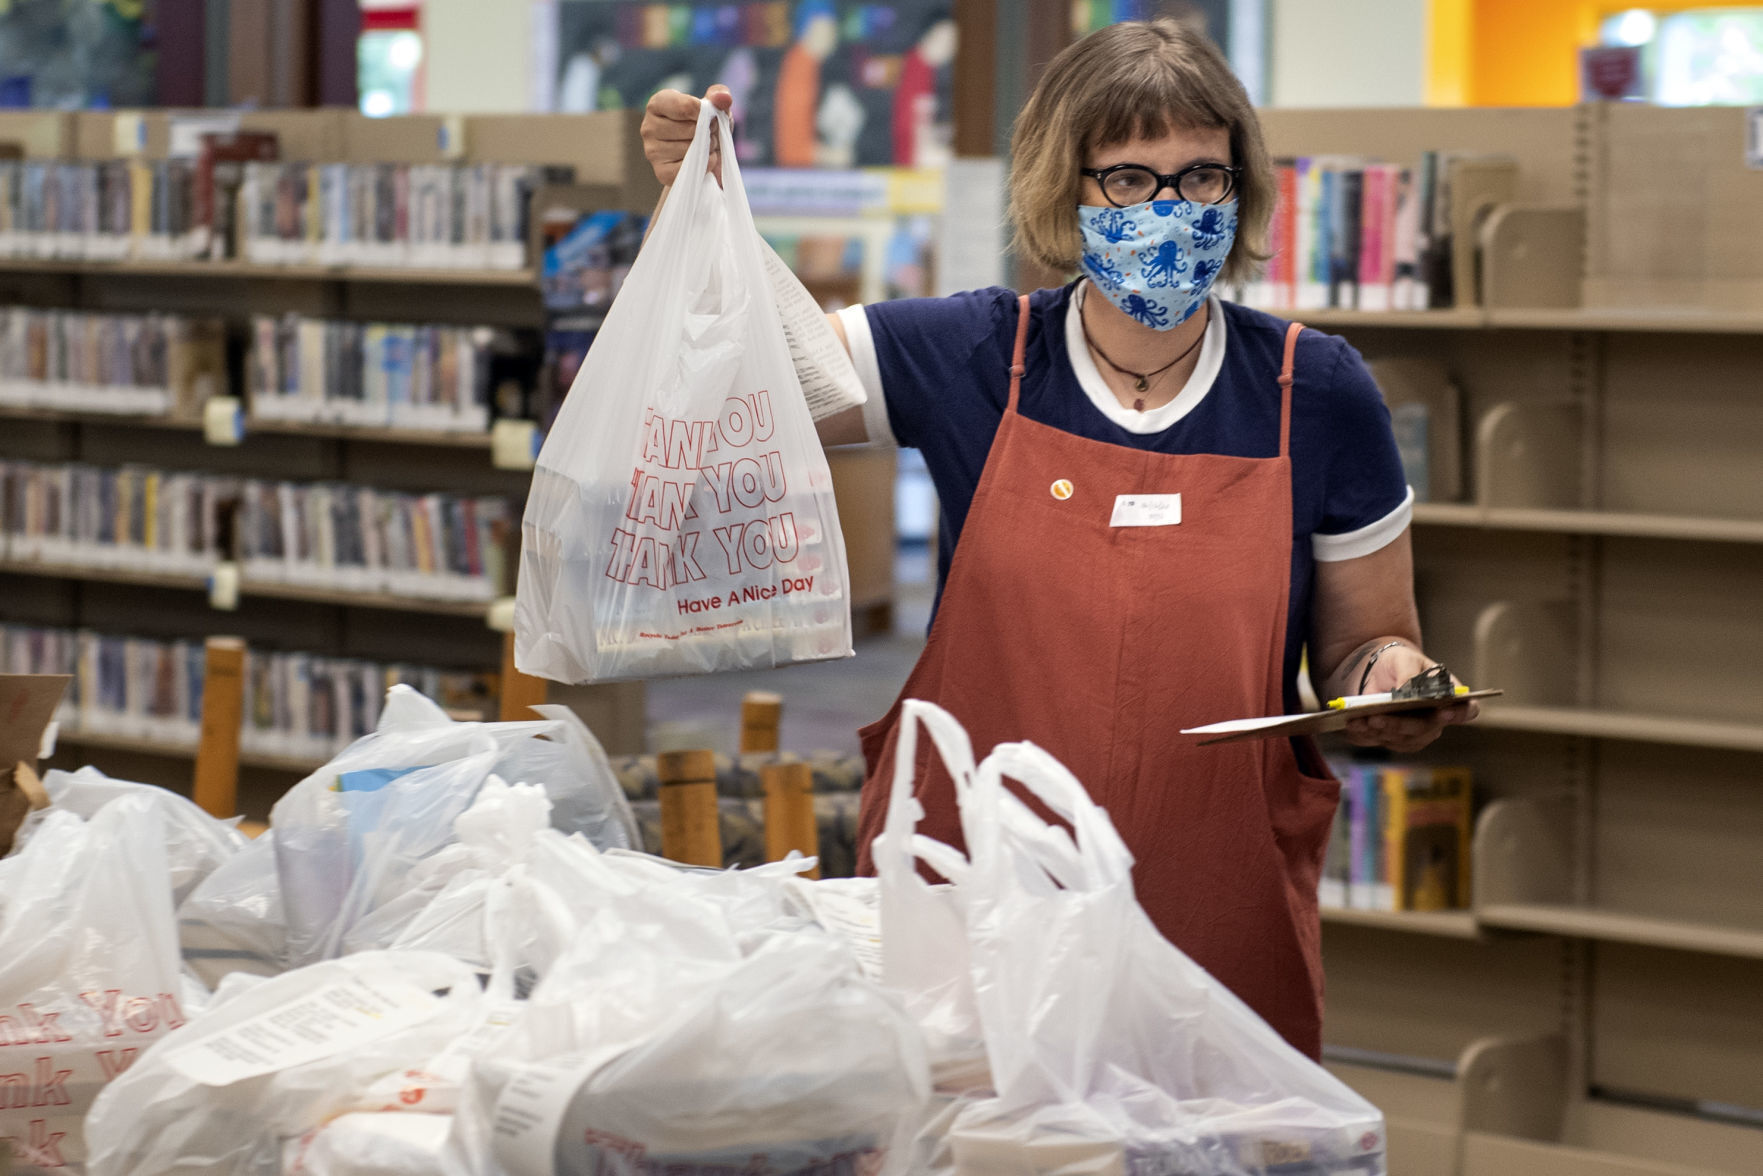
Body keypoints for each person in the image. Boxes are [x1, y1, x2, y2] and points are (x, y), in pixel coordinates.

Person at [640, 18, 1477, 1061]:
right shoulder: (972, 356)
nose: (1168, 209)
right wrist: (703, 214)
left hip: (1211, 909)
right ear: (1062, 188)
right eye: (1126, 180)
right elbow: (752, 378)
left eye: (1201, 177)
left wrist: (1391, 678)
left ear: (1241, 188)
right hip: (977, 908)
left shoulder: (1313, 391)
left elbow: (1363, 647)